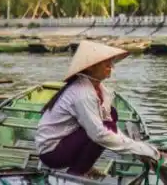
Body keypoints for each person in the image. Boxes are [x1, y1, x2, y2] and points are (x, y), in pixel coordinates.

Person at [36, 40, 160, 178]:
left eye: (110, 63)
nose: (110, 66)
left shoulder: (99, 89)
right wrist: (142, 149)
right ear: (90, 67)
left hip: (66, 142)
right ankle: (76, 174)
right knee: (102, 129)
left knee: (112, 114)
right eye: (105, 63)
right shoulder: (83, 93)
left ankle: (84, 166)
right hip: (52, 153)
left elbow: (111, 126)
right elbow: (99, 134)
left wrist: (137, 148)